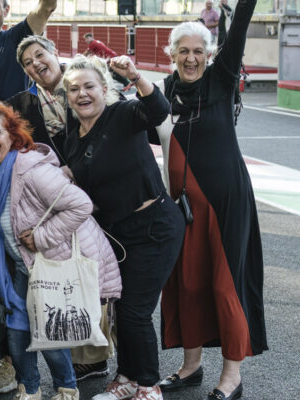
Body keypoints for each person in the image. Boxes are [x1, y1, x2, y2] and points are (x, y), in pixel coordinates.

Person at [0, 103, 122, 400]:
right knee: (17, 328)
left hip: (47, 263)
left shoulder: (30, 171)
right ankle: (30, 389)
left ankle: (66, 388)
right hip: (15, 268)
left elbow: (81, 205)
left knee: (50, 328)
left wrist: (41, 236)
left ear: (11, 135)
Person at [156, 1, 265, 399]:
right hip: (183, 209)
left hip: (225, 205)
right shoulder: (165, 92)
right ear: (172, 54)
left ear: (209, 55)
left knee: (224, 287)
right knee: (187, 285)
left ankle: (231, 377)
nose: (190, 57)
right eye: (183, 50)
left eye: (198, 51)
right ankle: (191, 367)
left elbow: (237, 32)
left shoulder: (220, 78)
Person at [59, 55, 183, 400]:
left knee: (134, 312)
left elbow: (158, 112)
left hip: (154, 226)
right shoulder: (73, 139)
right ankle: (127, 377)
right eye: (73, 89)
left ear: (104, 89)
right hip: (117, 235)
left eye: (88, 87)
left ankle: (147, 385)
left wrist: (136, 77)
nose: (81, 94)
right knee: (120, 309)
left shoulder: (122, 114)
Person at [7, 35, 71, 161]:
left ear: (55, 53)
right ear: (26, 72)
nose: (35, 63)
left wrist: (120, 75)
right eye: (28, 63)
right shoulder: (21, 104)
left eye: (40, 55)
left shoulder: (83, 85)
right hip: (51, 176)